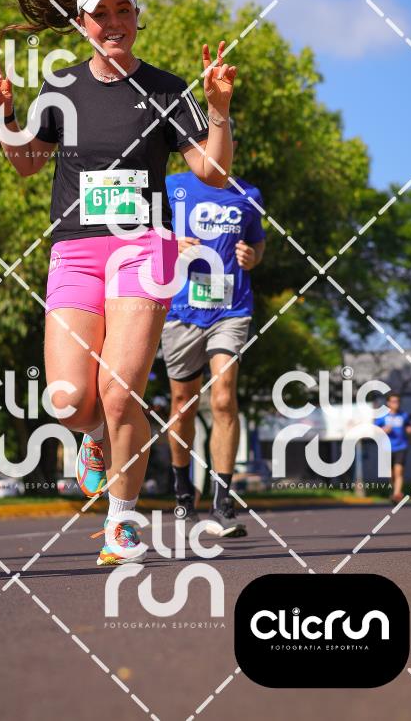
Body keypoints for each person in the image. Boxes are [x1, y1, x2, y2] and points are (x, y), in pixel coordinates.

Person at [0, 0, 236, 565]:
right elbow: (27, 163)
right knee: (72, 401)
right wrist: (4, 115)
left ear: (137, 18)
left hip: (144, 248)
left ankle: (122, 521)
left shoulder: (167, 89)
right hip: (76, 250)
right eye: (100, 14)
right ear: (82, 23)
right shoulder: (63, 86)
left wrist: (218, 110)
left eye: (122, 11)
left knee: (120, 390)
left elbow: (213, 173)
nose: (113, 23)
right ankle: (93, 436)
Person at [162, 128, 265, 535]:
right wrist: (171, 244)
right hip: (181, 309)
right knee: (182, 404)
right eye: (204, 143)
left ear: (233, 146)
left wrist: (252, 256)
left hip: (231, 309)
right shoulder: (172, 186)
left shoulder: (248, 194)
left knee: (223, 397)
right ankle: (183, 492)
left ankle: (223, 502)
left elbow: (257, 245)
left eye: (223, 141)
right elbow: (142, 236)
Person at [374, 392, 411, 504]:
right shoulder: (383, 416)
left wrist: (409, 430)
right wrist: (383, 430)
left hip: (401, 446)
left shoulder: (403, 415)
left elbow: (409, 426)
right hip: (386, 448)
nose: (396, 404)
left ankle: (397, 494)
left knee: (399, 471)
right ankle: (395, 490)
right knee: (391, 474)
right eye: (394, 401)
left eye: (398, 401)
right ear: (388, 403)